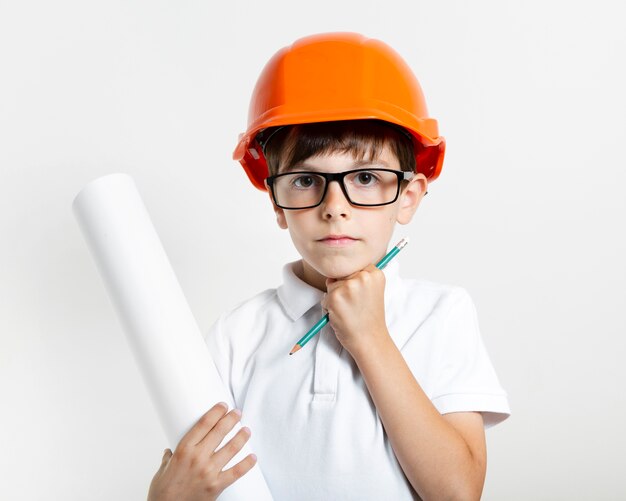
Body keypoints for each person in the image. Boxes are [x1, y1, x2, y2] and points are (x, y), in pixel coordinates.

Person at [148, 32, 510, 501]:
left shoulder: (440, 314)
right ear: (276, 201)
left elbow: (458, 493)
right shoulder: (235, 336)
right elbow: (196, 477)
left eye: (363, 177)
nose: (335, 207)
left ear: (408, 196)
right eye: (305, 180)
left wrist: (370, 338)